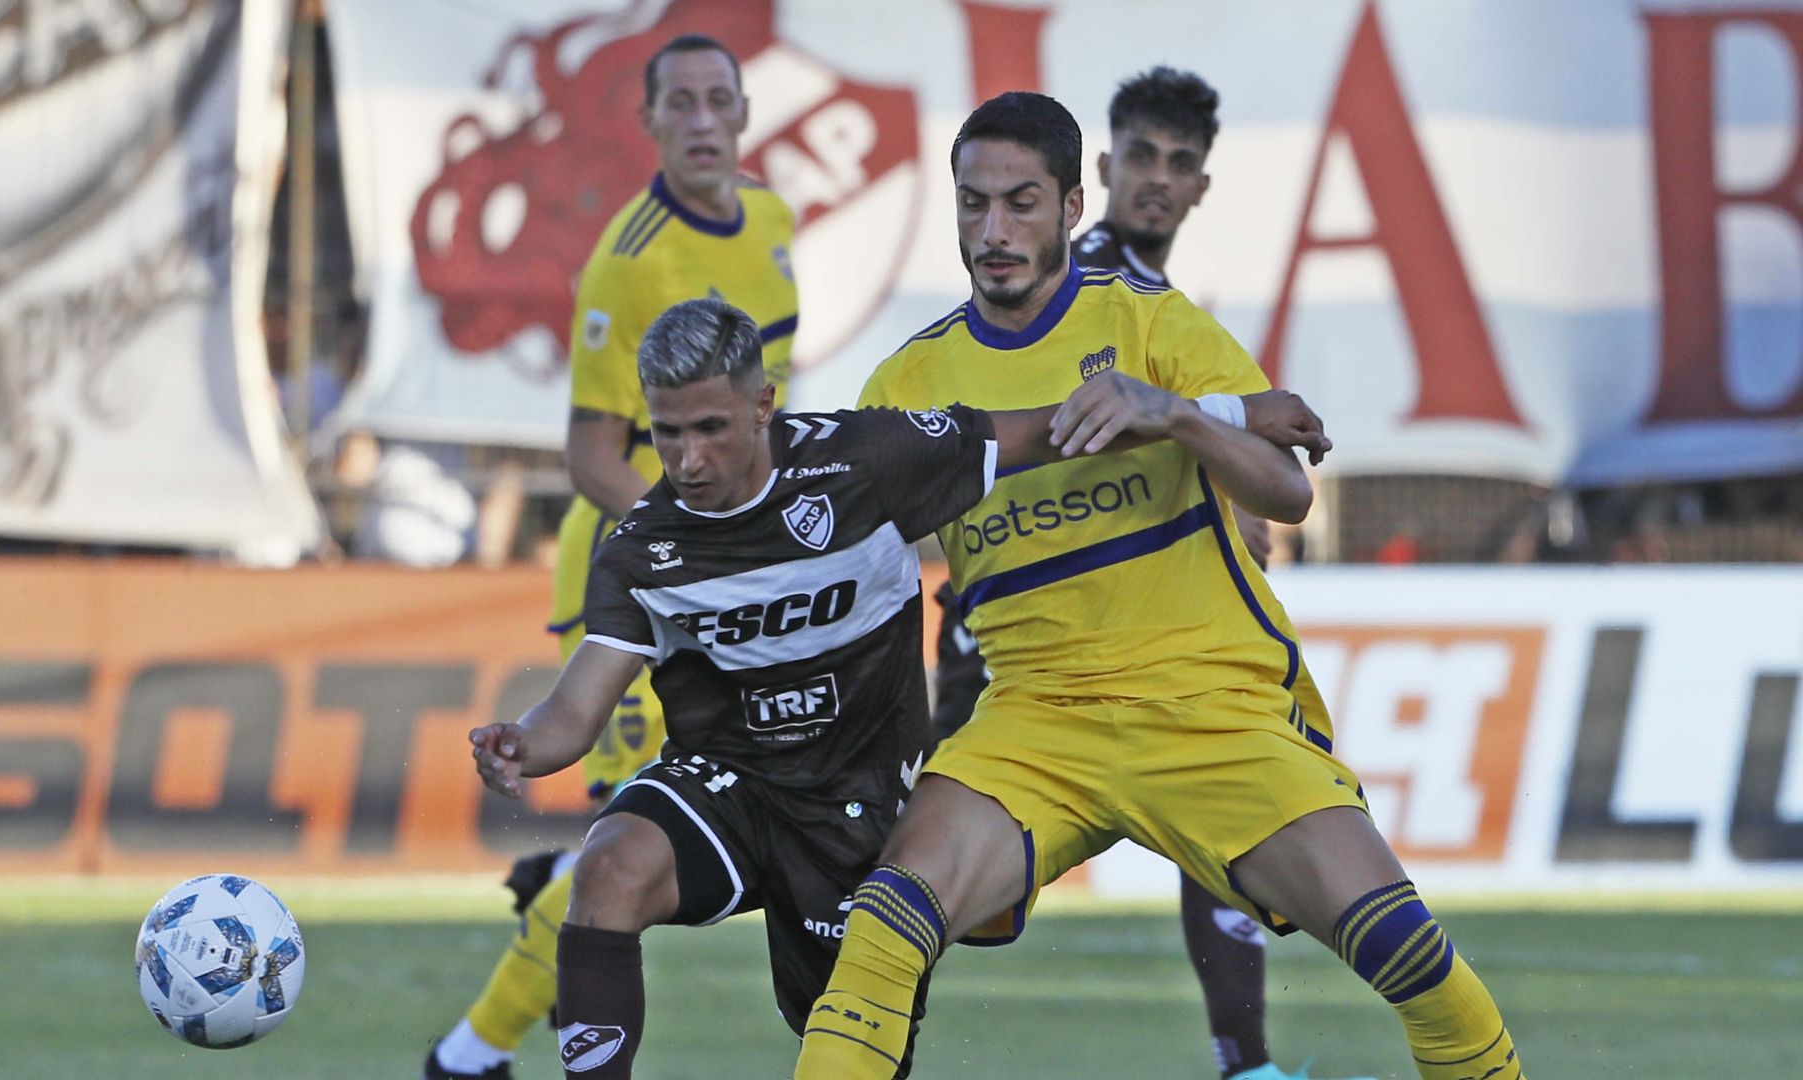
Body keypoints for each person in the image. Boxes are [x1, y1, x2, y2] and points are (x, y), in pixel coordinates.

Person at [793, 92, 1526, 1080]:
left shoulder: (1149, 323)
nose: (994, 231)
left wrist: (1177, 416)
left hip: (1208, 705)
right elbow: (853, 554)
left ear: (1069, 204)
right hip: (1036, 719)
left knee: (1415, 964)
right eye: (973, 206)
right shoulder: (909, 380)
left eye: (1020, 203)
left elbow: (1288, 491)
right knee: (882, 932)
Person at [467, 296, 1288, 1078]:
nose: (687, 459)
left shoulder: (867, 457)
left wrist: (1237, 417)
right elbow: (576, 710)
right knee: (607, 869)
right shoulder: (642, 550)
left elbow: (1051, 430)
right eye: (668, 433)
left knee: (846, 1043)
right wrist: (524, 743)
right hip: (730, 786)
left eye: (711, 429)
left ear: (763, 406)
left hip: (857, 803)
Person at [927, 67, 1363, 1080]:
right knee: (940, 892)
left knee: (1214, 826)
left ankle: (1242, 1062)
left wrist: (1225, 434)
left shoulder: (1152, 304)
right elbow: (1065, 429)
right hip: (1017, 638)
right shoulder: (1070, 286)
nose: (1159, 182)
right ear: (1102, 172)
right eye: (1143, 160)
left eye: (1182, 165)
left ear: (1202, 186)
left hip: (1118, 630)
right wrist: (1241, 416)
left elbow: (1236, 445)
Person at [425, 32, 798, 1080]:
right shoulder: (631, 259)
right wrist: (696, 537)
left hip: (743, 561)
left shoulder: (772, 220)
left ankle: (464, 1056)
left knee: (661, 832)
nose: (702, 121)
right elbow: (591, 453)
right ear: (647, 123)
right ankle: (464, 1060)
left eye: (718, 100)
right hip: (638, 572)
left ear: (744, 112)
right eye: (678, 103)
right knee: (627, 846)